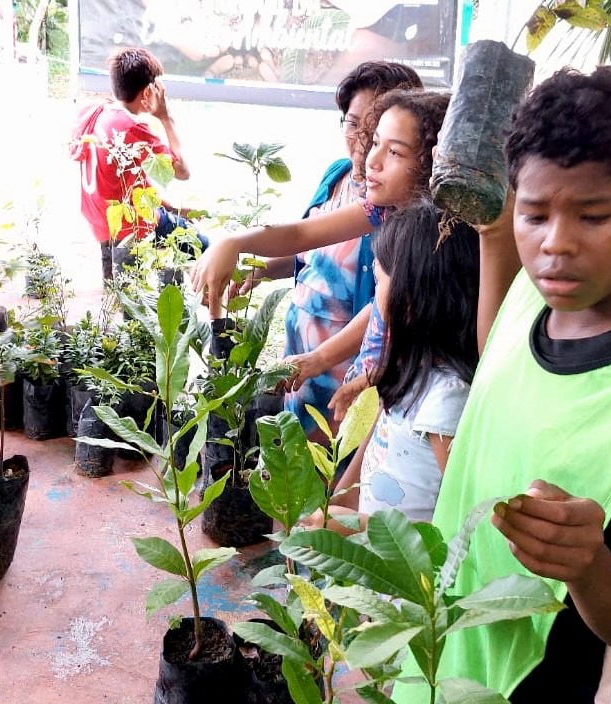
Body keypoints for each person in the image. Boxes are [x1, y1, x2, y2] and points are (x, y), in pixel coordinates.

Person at [391, 66, 611, 704]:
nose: (555, 245)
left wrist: (588, 566)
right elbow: (502, 374)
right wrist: (493, 234)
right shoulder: (533, 298)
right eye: (535, 214)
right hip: (457, 658)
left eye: (592, 217)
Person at [235, 61, 422, 442]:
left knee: (337, 474)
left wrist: (319, 359)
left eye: (374, 132)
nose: (362, 144)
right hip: (302, 362)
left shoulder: (394, 211)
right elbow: (305, 244)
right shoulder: (337, 177)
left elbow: (385, 306)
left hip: (349, 371)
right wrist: (260, 270)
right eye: (353, 125)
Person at [191, 88, 449, 318]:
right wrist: (234, 242)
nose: (372, 159)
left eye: (394, 151)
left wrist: (319, 359)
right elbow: (301, 234)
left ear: (432, 161)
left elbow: (385, 323)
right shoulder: (381, 210)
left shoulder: (443, 240)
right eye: (376, 143)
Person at [304, 202, 479, 534]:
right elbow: (374, 447)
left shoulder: (446, 402)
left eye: (378, 283)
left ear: (410, 302)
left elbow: (458, 525)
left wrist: (357, 526)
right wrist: (340, 501)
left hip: (408, 578)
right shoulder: (405, 370)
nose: (374, 300)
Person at [70, 46, 204, 281]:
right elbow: (182, 171)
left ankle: (116, 278)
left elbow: (122, 184)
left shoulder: (99, 112)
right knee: (205, 245)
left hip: (100, 221)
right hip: (128, 227)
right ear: (147, 92)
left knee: (120, 290)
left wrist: (171, 207)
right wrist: (165, 117)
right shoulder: (131, 127)